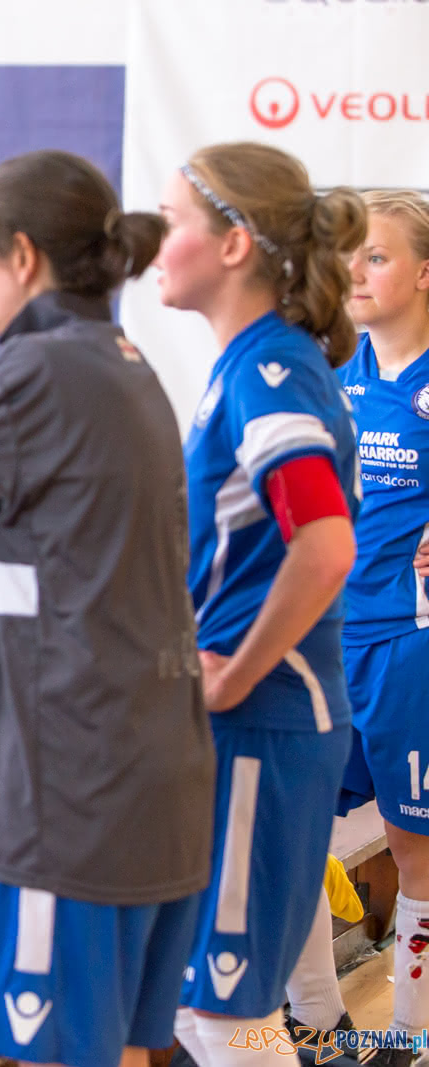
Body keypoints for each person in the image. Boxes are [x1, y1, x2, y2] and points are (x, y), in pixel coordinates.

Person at [0, 149, 214, 1067]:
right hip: (149, 780)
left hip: (61, 793)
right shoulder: (128, 362)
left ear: (22, 257)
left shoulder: (30, 372)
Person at [152, 142, 363, 1067]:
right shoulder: (248, 364)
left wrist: (235, 672)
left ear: (234, 243)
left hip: (262, 725)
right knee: (205, 1008)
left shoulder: (268, 371)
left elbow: (325, 542)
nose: (152, 242)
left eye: (170, 223)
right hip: (245, 730)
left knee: (229, 1012)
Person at [282, 189, 429, 1063]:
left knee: (414, 852)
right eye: (349, 258)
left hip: (408, 651)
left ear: (422, 272)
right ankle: (318, 1019)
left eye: (376, 256)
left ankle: (408, 1034)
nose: (356, 274)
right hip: (321, 647)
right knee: (290, 835)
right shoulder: (335, 377)